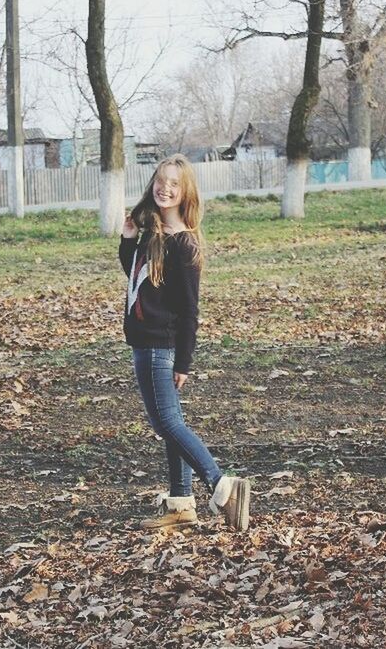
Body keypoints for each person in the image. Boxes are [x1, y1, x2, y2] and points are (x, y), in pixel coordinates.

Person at [119, 154, 251, 532]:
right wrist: (128, 240)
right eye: (161, 181)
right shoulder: (155, 234)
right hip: (144, 343)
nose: (165, 188)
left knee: (168, 423)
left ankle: (223, 487)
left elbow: (190, 311)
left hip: (162, 347)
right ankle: (180, 504)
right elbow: (136, 278)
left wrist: (183, 363)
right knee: (168, 423)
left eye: (174, 184)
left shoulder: (185, 245)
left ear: (185, 192)